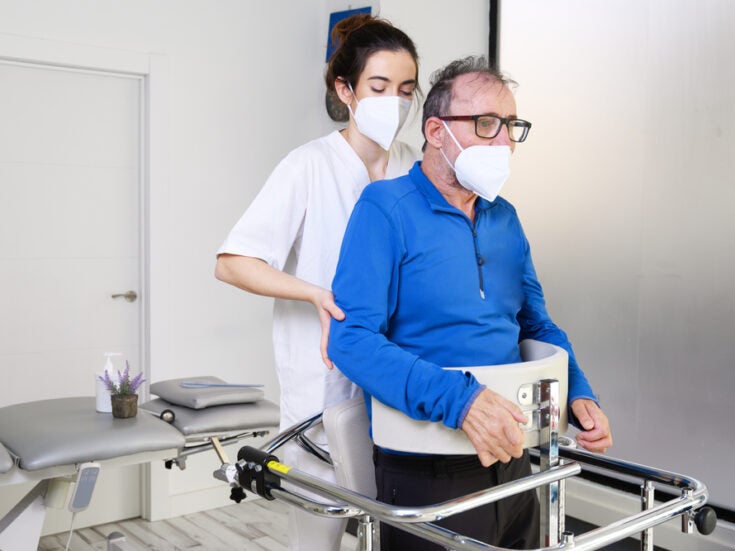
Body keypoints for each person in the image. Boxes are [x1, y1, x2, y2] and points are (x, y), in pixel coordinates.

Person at [328, 55, 613, 550]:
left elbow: (536, 325)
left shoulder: (505, 218)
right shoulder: (385, 210)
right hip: (428, 468)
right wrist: (461, 401)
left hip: (513, 456)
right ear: (436, 131)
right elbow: (351, 340)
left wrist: (578, 392)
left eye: (511, 126)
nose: (503, 142)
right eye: (485, 124)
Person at [215, 14, 421, 551]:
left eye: (406, 90)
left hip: (399, 376)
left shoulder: (414, 168)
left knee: (398, 526)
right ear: (345, 90)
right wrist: (313, 292)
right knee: (319, 533)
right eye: (379, 87)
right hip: (323, 381)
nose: (395, 103)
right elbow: (233, 262)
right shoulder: (307, 166)